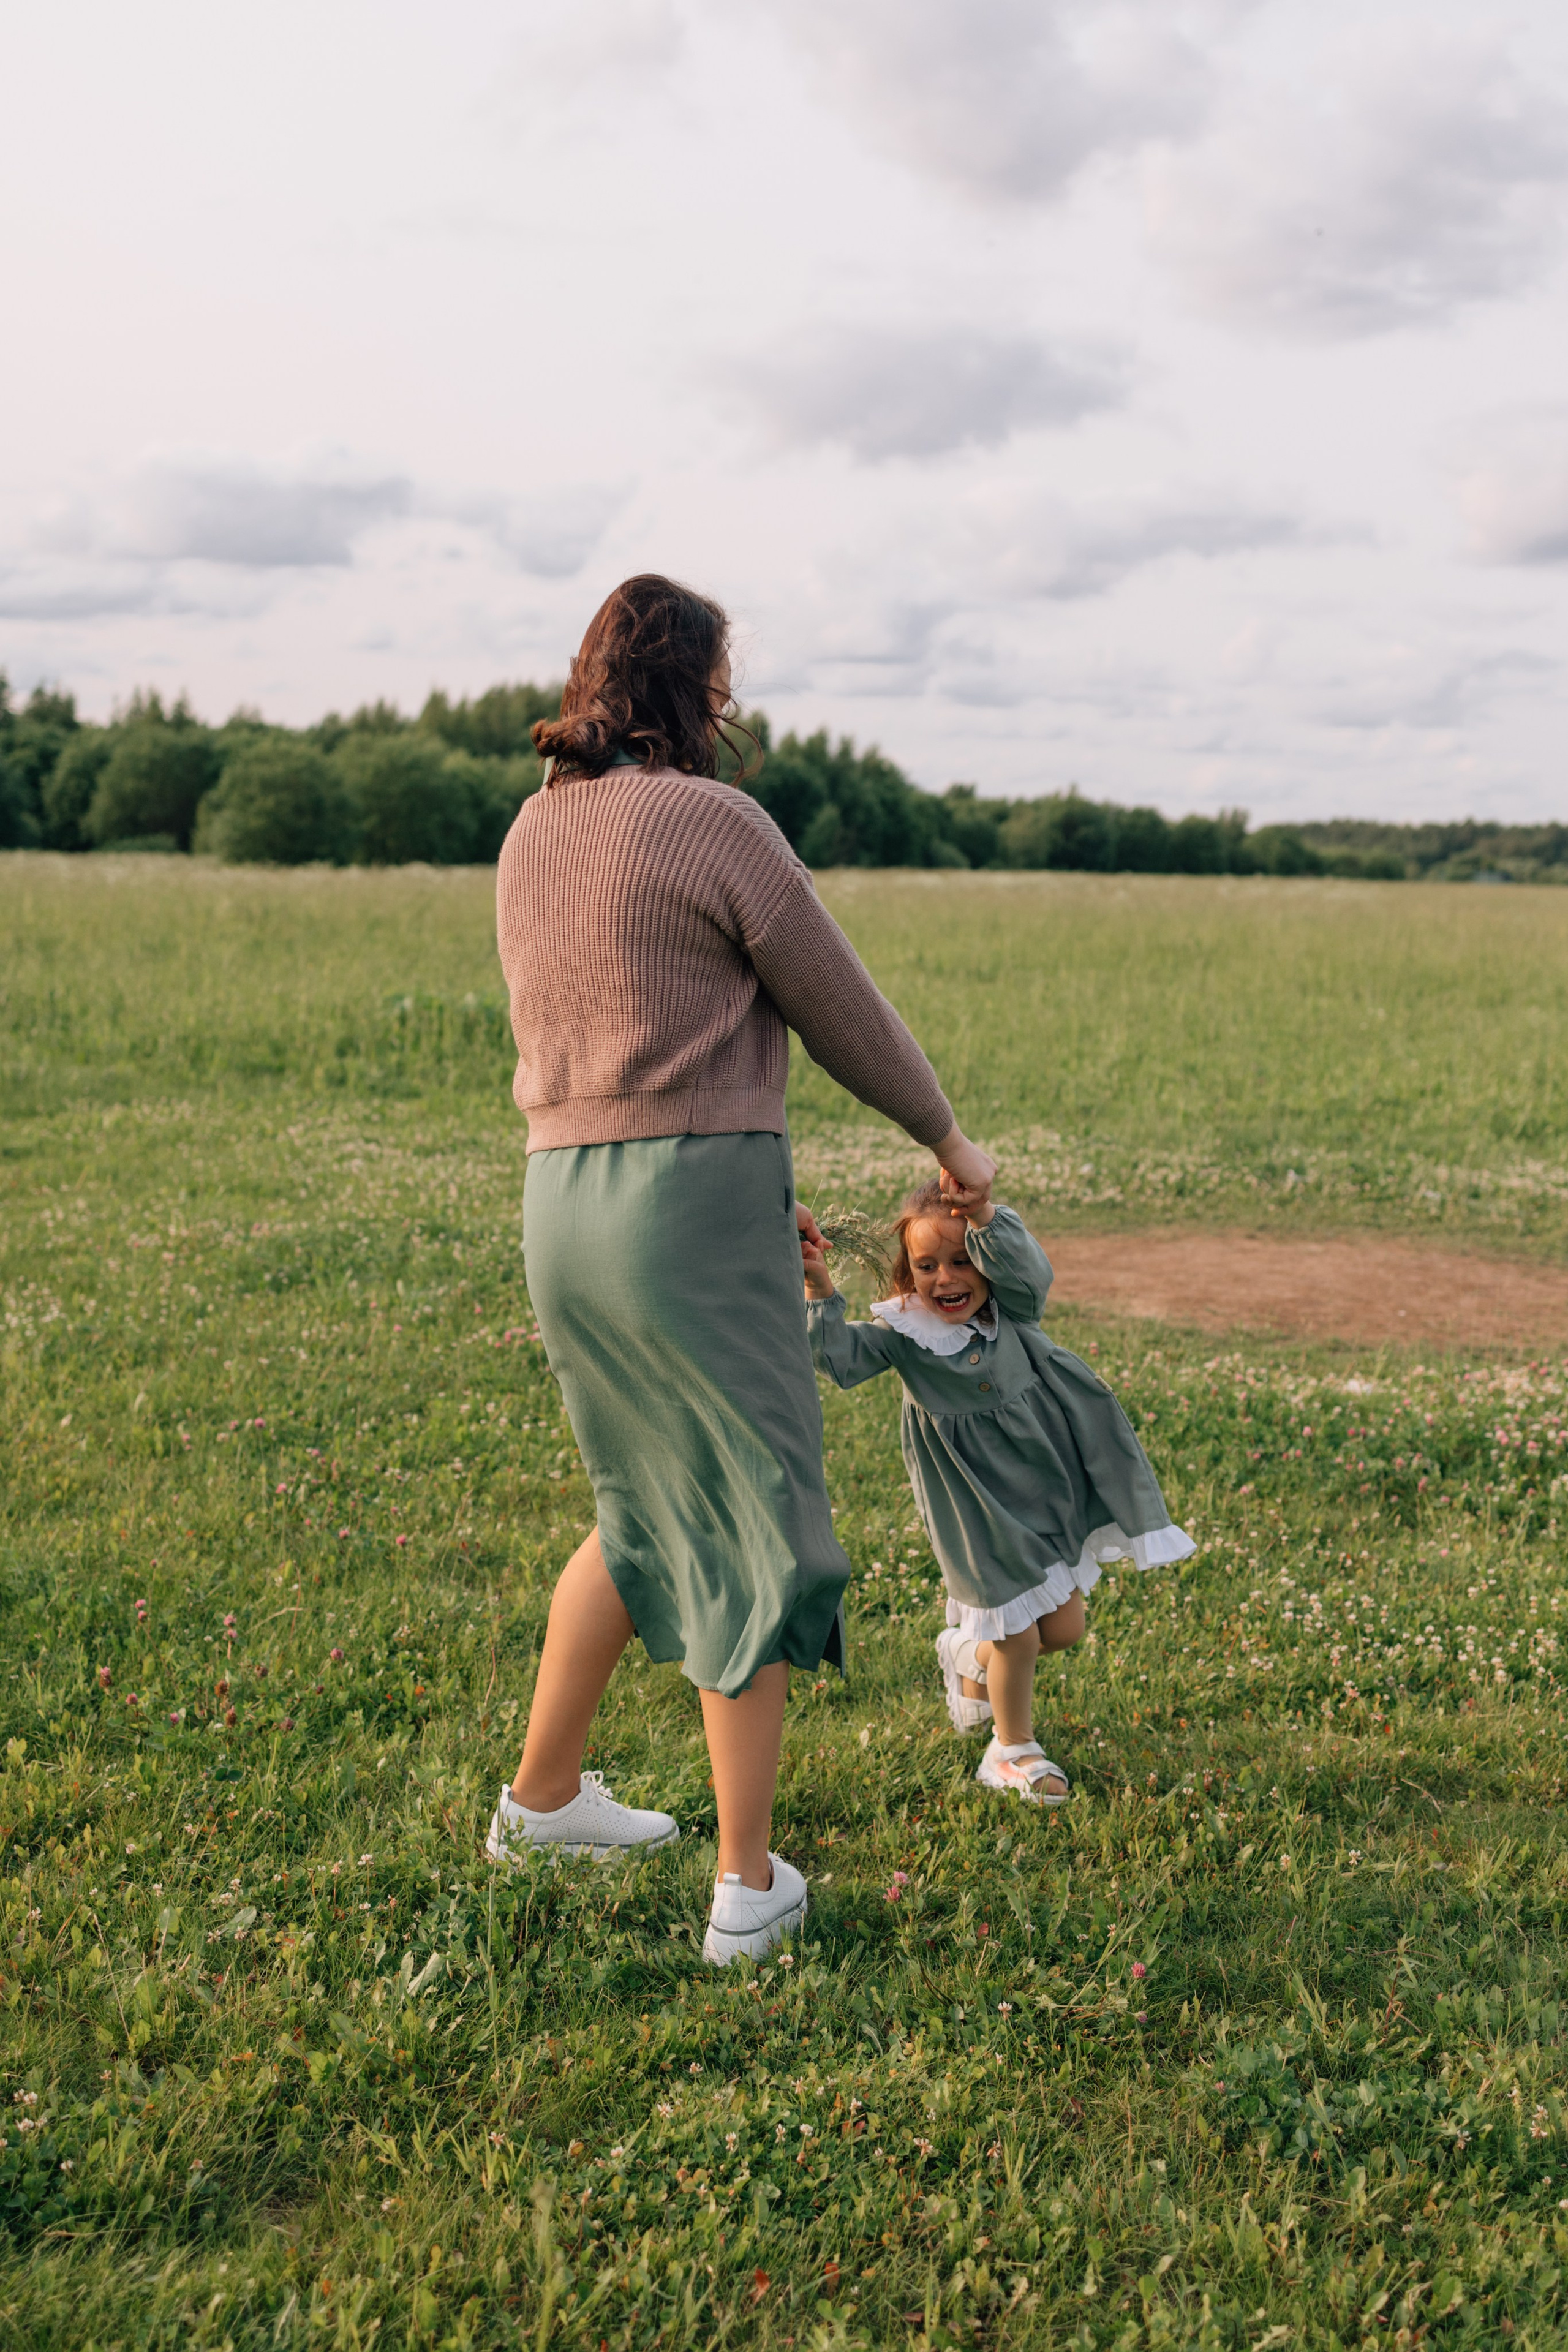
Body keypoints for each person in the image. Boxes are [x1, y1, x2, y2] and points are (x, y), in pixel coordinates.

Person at [485, 573, 996, 1964]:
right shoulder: (716, 822)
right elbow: (840, 1008)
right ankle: (745, 1881)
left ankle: (539, 1795)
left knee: (640, 1497)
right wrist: (947, 1136)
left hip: (562, 1204)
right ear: (699, 692)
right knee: (753, 1518)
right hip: (686, 1199)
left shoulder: (531, 833)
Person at [803, 1176, 1193, 1804]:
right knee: (1020, 1638)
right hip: (974, 1509)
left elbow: (1027, 1267)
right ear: (907, 1275)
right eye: (926, 1266)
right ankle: (1012, 1752)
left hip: (1044, 1489)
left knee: (1061, 1629)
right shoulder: (905, 1334)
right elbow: (838, 1359)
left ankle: (967, 1653)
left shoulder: (1010, 1308)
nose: (945, 1278)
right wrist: (821, 1292)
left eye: (961, 1260)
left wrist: (982, 1213)